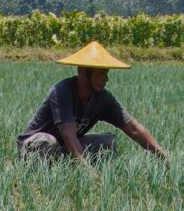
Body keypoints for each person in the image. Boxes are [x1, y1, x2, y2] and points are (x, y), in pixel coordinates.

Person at [18, 41, 168, 165]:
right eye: (101, 74)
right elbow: (68, 135)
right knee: (49, 142)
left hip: (63, 147)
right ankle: (43, 176)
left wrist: (163, 156)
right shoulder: (62, 91)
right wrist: (88, 172)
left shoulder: (102, 99)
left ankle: (64, 170)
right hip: (35, 146)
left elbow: (133, 128)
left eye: (106, 74)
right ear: (83, 73)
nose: (106, 79)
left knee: (109, 143)